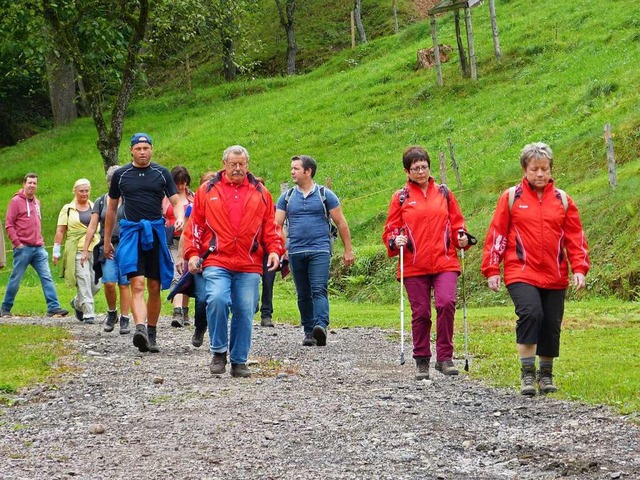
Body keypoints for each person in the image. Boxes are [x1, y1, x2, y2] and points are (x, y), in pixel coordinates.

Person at [481, 142, 590, 396]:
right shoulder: (511, 198)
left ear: (551, 170)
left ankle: (546, 375)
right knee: (531, 313)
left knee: (551, 322)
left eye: (544, 169)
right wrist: (492, 268)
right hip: (521, 271)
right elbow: (497, 234)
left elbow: (575, 237)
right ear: (525, 170)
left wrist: (579, 268)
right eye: (534, 169)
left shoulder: (563, 200)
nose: (539, 174)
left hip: (555, 273)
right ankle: (527, 375)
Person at [183, 145, 284, 378]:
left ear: (247, 165)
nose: (237, 168)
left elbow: (271, 227)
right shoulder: (206, 190)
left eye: (241, 164)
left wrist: (275, 250)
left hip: (249, 261)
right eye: (233, 164)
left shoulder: (261, 193)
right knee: (217, 299)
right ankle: (218, 351)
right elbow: (195, 225)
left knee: (245, 309)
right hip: (217, 258)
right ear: (224, 164)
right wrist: (192, 253)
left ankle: (239, 360)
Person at [382, 146, 472, 380]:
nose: (421, 171)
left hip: (445, 261)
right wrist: (395, 240)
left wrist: (461, 237)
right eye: (415, 168)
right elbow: (390, 230)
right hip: (414, 264)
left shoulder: (444, 193)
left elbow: (457, 224)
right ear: (407, 171)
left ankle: (445, 357)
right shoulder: (400, 197)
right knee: (421, 313)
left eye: (424, 167)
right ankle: (422, 359)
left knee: (446, 302)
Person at [103, 133, 184, 353]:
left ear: (151, 150)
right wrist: (107, 240)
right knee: (136, 284)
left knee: (154, 286)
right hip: (131, 234)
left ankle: (151, 332)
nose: (142, 152)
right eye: (138, 148)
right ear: (131, 150)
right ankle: (139, 329)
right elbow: (111, 209)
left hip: (155, 233)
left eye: (146, 148)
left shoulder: (161, 173)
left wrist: (179, 216)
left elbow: (176, 202)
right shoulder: (121, 175)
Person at [275, 155, 355, 347]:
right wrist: (279, 249)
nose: (292, 172)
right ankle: (308, 331)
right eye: (291, 168)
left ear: (308, 171)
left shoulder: (325, 195)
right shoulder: (286, 197)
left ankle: (321, 325)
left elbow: (341, 222)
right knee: (303, 292)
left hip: (319, 249)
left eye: (296, 168)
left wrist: (348, 250)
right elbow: (276, 225)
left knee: (319, 289)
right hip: (295, 251)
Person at [1, 173, 69, 318]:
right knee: (16, 278)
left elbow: (36, 223)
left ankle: (53, 307)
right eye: (30, 183)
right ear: (24, 184)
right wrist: (17, 243)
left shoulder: (37, 202)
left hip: (38, 248)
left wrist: (41, 241)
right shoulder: (15, 201)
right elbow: (9, 224)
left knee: (47, 277)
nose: (32, 185)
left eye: (34, 183)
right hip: (23, 248)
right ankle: (5, 308)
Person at [80, 165, 132, 334]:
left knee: (125, 284)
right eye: (113, 182)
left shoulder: (130, 200)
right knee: (109, 282)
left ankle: (125, 318)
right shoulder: (101, 201)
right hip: (107, 246)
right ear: (109, 183)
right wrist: (86, 249)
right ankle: (112, 313)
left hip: (126, 246)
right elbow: (92, 226)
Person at [53, 179, 101, 324]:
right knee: (84, 280)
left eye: (87, 190)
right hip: (77, 250)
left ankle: (77, 302)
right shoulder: (67, 209)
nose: (84, 194)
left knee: (96, 284)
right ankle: (88, 313)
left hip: (95, 248)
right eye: (81, 191)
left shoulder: (95, 206)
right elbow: (61, 231)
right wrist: (56, 250)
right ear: (75, 191)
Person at [163, 165, 195, 328]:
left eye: (184, 183)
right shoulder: (166, 198)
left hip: (189, 241)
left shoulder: (193, 198)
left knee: (187, 275)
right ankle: (177, 311)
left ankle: (184, 309)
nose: (181, 186)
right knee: (176, 274)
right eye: (178, 183)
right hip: (171, 240)